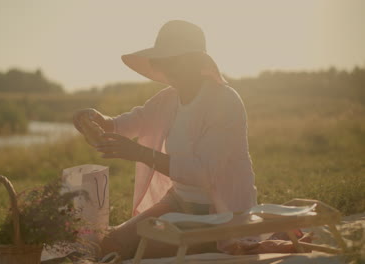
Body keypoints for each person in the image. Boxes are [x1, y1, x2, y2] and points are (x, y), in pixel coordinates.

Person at [73, 20, 306, 259]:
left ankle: (244, 240)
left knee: (146, 252)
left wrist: (139, 153)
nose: (167, 67)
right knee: (112, 244)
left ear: (197, 62)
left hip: (217, 212)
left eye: (175, 59)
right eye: (163, 60)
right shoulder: (168, 98)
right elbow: (130, 122)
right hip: (177, 201)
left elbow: (203, 172)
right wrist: (97, 120)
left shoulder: (224, 102)